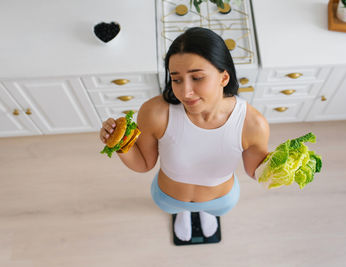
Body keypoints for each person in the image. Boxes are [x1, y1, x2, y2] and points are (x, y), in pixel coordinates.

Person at [99, 27, 270, 242]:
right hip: (168, 197)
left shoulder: (253, 124)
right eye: (177, 80)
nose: (185, 92)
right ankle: (183, 212)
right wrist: (118, 144)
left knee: (211, 212)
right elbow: (143, 164)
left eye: (197, 77)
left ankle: (206, 213)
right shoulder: (155, 112)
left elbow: (256, 171)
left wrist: (282, 166)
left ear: (224, 77)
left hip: (220, 200)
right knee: (177, 209)